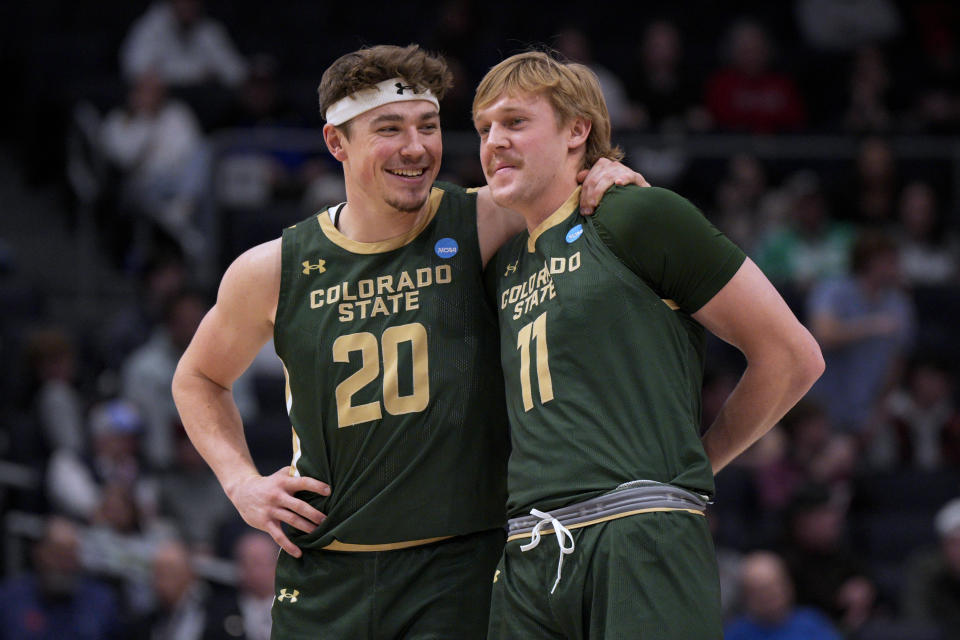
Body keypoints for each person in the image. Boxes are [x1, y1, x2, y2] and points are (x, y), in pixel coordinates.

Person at [171, 43, 644, 639]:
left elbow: (569, 177)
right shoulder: (274, 268)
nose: (416, 148)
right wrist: (241, 482)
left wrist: (604, 171)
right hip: (325, 570)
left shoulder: (482, 218)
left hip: (460, 564)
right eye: (389, 129)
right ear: (336, 143)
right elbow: (198, 378)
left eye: (428, 126)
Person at [473, 51, 823, 638]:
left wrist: (696, 463)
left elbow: (792, 356)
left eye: (514, 122)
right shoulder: (499, 262)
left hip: (639, 529)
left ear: (576, 130)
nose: (493, 142)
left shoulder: (638, 215)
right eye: (484, 129)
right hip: (531, 549)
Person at [725, 551, 841, 640]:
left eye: (773, 587)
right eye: (759, 590)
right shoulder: (735, 633)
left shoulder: (813, 623)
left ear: (788, 585)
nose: (767, 596)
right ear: (746, 597)